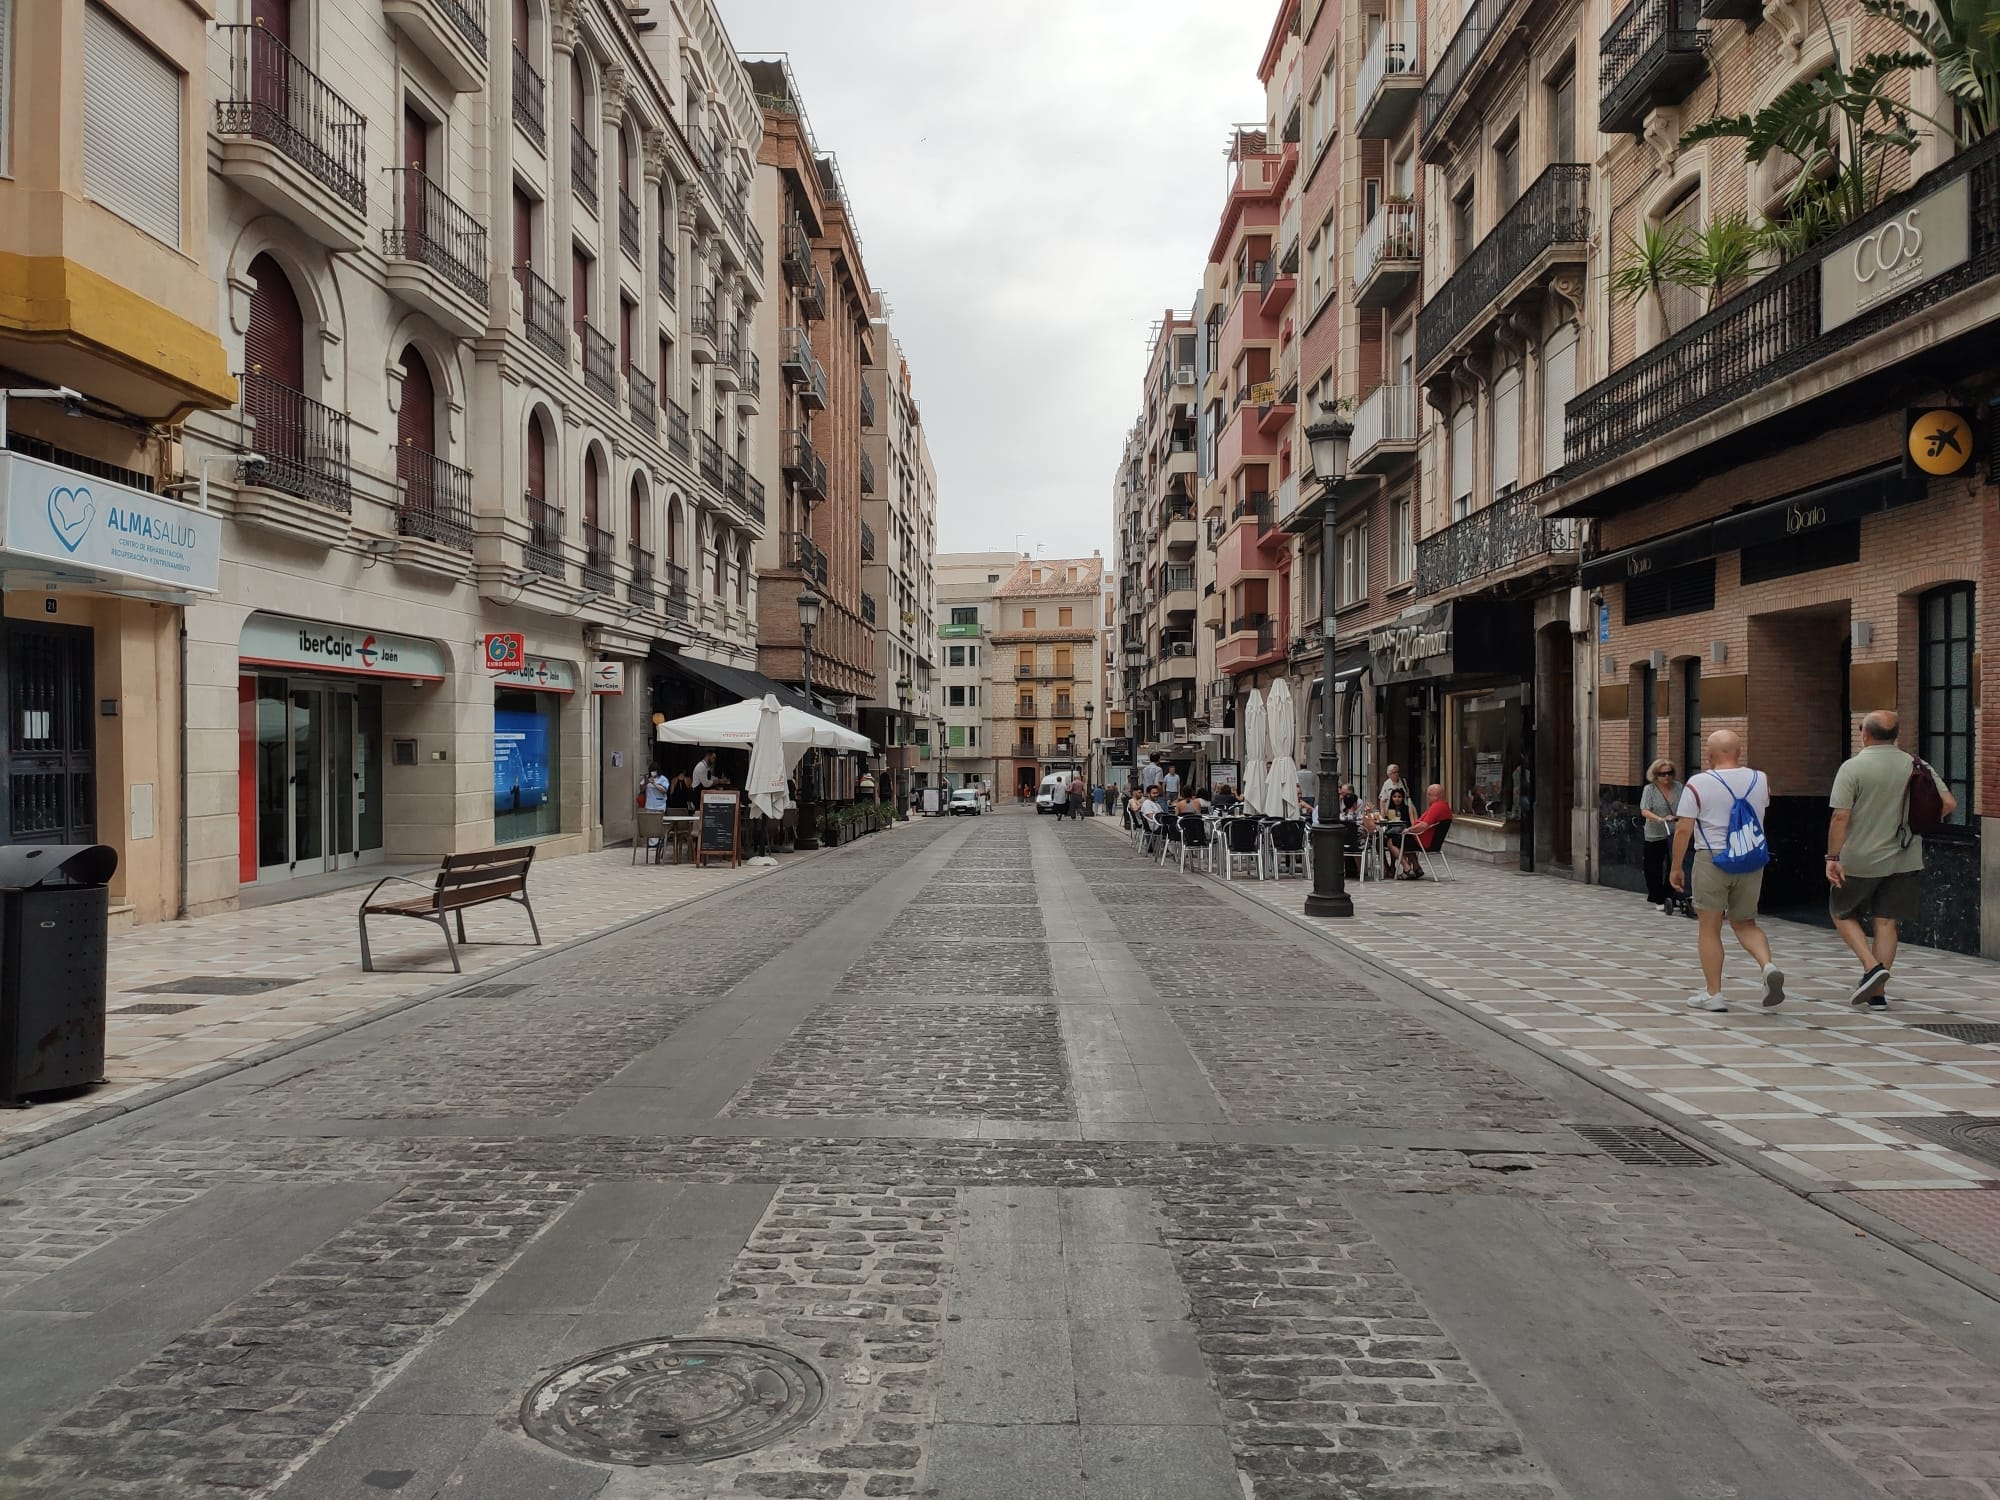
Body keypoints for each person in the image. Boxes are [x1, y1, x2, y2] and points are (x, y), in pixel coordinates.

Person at [1827, 710, 1956, 1008]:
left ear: (1865, 733)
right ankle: (1878, 996)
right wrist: (1912, 823)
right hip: (1905, 856)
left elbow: (1840, 815)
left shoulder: (1853, 767)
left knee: (1841, 912)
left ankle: (1872, 968)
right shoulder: (1917, 764)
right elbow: (1948, 803)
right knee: (1886, 922)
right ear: (1896, 734)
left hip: (1860, 857)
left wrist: (1832, 856)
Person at [1670, 729, 1785, 1012]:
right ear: (1739, 751)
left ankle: (1714, 994)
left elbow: (1684, 828)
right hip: (1750, 858)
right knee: (1746, 922)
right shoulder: (1760, 779)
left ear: (1709, 754)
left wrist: (1675, 867)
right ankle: (1767, 965)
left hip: (1713, 858)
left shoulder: (1699, 783)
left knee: (1709, 927)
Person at [1640, 759, 1683, 911]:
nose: (1666, 777)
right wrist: (1659, 819)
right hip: (1655, 831)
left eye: (1669, 773)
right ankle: (1657, 896)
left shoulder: (1679, 787)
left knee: (1674, 863)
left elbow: (1685, 804)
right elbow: (1644, 810)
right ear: (1655, 775)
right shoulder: (1650, 789)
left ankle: (1670, 895)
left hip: (1674, 831)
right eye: (1662, 774)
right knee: (1653, 865)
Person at [1391, 783, 1453, 878]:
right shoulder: (1445, 807)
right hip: (1430, 841)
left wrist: (1409, 829)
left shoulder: (1437, 807)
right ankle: (1416, 868)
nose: (1427, 797)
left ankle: (1407, 868)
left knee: (1391, 841)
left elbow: (1424, 825)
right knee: (1406, 841)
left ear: (1437, 796)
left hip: (1424, 842)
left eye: (1429, 795)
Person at [1379, 787, 1414, 878]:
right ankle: (1387, 866)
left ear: (1403, 798)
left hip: (1403, 833)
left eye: (1399, 796)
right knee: (1379, 841)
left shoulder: (1407, 809)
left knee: (1391, 841)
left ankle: (1393, 866)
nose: (1397, 799)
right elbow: (1384, 821)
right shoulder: (1390, 810)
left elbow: (1413, 823)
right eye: (1394, 796)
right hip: (1391, 832)